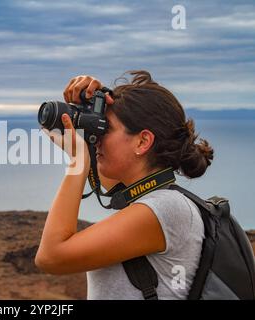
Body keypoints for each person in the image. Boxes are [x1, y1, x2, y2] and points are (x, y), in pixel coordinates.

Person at [35, 70, 214, 299]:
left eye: (105, 129)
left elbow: (51, 257)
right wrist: (84, 110)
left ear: (143, 141)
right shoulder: (152, 200)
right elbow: (99, 173)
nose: (97, 137)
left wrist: (78, 162)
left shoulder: (166, 209)